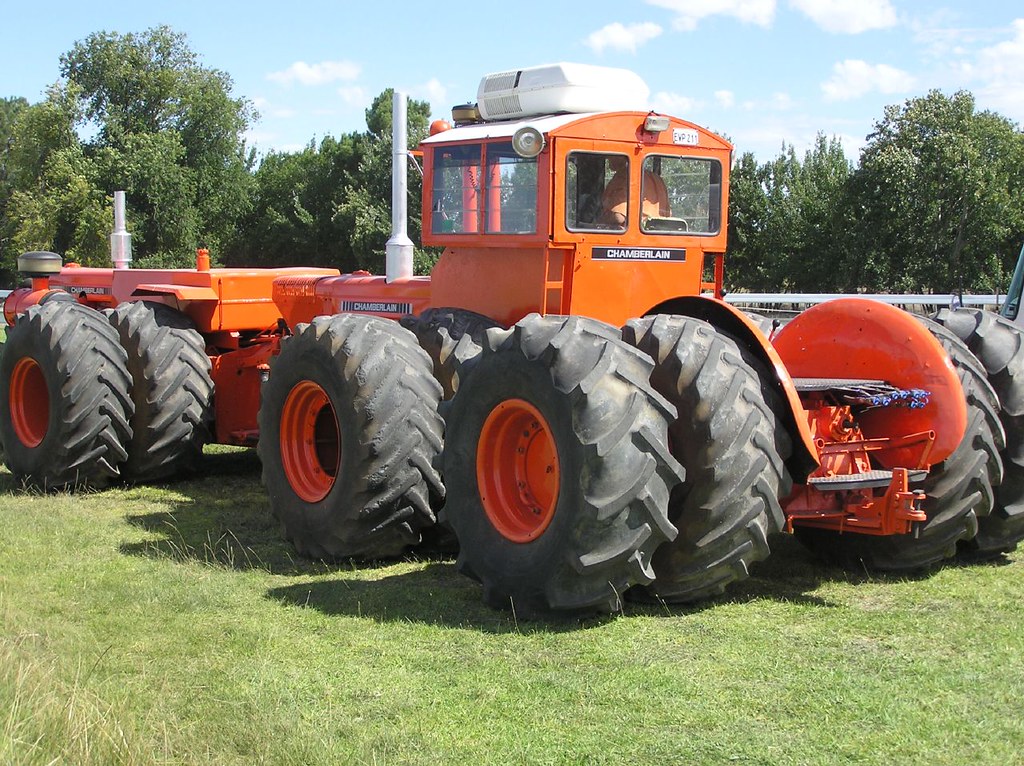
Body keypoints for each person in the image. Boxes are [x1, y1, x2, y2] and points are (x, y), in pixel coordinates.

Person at [601, 156, 670, 227]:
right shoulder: (657, 179)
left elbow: (619, 217)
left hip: (629, 234)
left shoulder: (624, 177)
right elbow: (668, 215)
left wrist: (598, 221)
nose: (608, 157)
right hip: (657, 234)